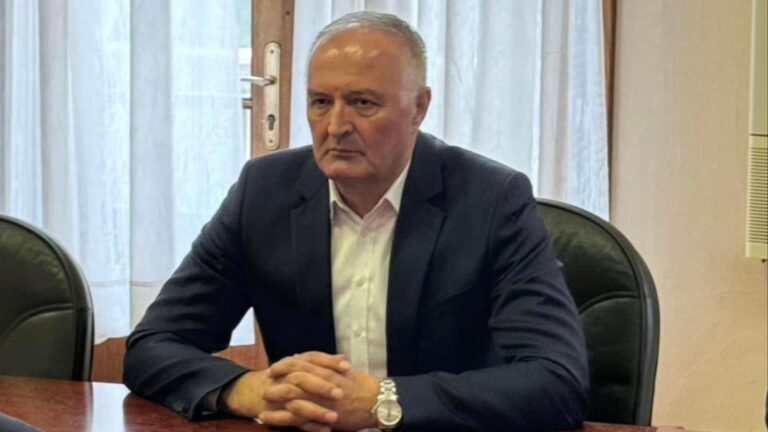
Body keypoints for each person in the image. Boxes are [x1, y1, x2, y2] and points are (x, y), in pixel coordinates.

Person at [124, 11, 589, 432]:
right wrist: (246, 389)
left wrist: (383, 401)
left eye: (363, 103)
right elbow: (153, 345)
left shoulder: (490, 199)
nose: (336, 126)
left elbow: (556, 382)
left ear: (419, 107)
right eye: (320, 102)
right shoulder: (264, 193)